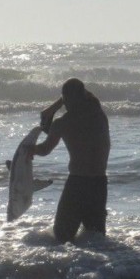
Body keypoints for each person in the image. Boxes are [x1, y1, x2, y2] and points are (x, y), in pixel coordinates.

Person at [29, 78, 110, 243]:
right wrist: (64, 99)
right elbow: (88, 96)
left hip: (78, 184)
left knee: (61, 237)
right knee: (96, 239)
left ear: (65, 99)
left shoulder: (63, 123)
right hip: (99, 184)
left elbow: (45, 149)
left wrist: (29, 150)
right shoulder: (98, 113)